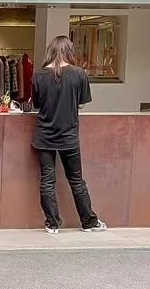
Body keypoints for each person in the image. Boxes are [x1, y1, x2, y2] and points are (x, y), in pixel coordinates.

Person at [32, 35, 107, 234]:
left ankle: (52, 223)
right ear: (69, 51)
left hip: (44, 136)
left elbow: (37, 105)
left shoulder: (39, 76)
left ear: (50, 51)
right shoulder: (79, 74)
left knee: (47, 180)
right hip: (69, 136)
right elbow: (81, 103)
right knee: (76, 180)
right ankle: (89, 222)